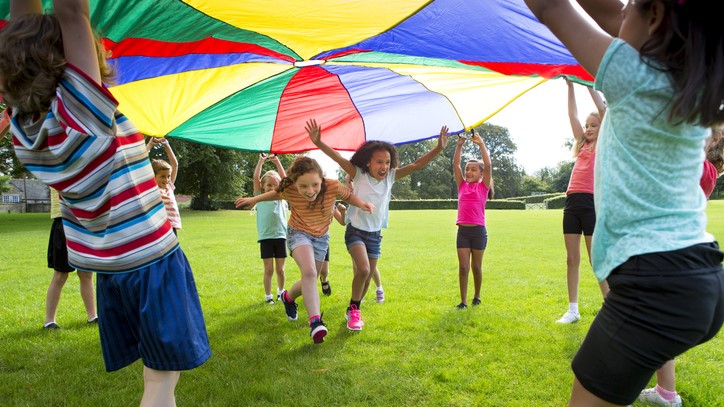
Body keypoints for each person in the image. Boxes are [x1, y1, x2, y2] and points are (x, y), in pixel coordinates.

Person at [0, 1, 211, 405]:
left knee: (157, 376)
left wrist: (26, 31)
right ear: (71, 66)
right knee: (161, 381)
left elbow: (26, 28)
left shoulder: (25, 131)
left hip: (109, 269)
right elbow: (72, 10)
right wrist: (68, 21)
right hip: (152, 261)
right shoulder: (85, 117)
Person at [523, 1, 724, 406]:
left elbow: (550, 6)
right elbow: (617, 17)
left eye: (631, 5)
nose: (620, 13)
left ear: (656, 18)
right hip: (701, 277)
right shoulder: (691, 82)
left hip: (656, 283)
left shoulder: (634, 76)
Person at [307, 118, 449, 331]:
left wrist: (438, 148)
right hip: (355, 231)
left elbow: (417, 164)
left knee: (365, 279)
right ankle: (355, 309)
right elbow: (337, 158)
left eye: (387, 162)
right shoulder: (358, 174)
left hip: (375, 235)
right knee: (363, 269)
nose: (384, 166)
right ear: (368, 163)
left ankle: (352, 308)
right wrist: (318, 142)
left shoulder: (391, 177)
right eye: (379, 162)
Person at [234, 156, 374, 343]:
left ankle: (288, 298)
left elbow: (348, 196)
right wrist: (255, 199)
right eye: (304, 187)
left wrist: (362, 204)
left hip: (321, 238)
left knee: (311, 277)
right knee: (308, 272)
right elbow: (274, 193)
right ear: (295, 184)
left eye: (315, 185)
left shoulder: (331, 186)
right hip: (298, 234)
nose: (310, 191)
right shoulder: (289, 189)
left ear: (322, 179)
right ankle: (315, 322)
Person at [639, 125, 724, 407]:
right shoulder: (702, 167)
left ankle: (624, 389)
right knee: (655, 323)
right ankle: (666, 392)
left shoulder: (700, 167)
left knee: (648, 323)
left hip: (669, 252)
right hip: (669, 250)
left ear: (712, 140)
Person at [557, 79, 610, 324]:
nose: (588, 128)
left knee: (594, 258)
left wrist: (589, 84)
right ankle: (573, 309)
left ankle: (611, 305)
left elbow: (603, 111)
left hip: (591, 203)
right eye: (587, 126)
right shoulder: (581, 145)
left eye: (593, 125)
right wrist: (569, 87)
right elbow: (571, 114)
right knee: (572, 258)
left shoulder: (605, 143)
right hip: (572, 203)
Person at [44, 187, 98, 330]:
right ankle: (49, 321)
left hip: (83, 222)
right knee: (61, 274)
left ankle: (93, 316)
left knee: (86, 273)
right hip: (64, 221)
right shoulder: (56, 169)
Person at [452, 128, 492, 309]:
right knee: (463, 267)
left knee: (476, 267)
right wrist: (459, 145)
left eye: (473, 169)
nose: (468, 172)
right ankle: (463, 301)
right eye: (467, 169)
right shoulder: (462, 185)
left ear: (481, 174)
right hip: (463, 232)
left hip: (478, 232)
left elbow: (488, 165)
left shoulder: (483, 187)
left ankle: (477, 296)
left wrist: (481, 143)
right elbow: (455, 166)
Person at [252, 153, 287, 304]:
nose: (272, 188)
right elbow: (255, 178)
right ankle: (268, 296)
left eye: (275, 185)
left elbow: (286, 180)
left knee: (280, 269)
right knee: (269, 270)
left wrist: (276, 160)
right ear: (262, 186)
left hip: (280, 237)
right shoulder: (259, 197)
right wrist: (261, 160)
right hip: (266, 238)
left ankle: (281, 292)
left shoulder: (282, 197)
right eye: (269, 185)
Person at [147, 137, 182, 233]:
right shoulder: (152, 188)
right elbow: (139, 165)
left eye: (168, 176)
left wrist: (167, 145)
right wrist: (149, 145)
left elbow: (175, 165)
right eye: (162, 176)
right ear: (153, 176)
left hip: (172, 228)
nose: (166, 180)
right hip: (158, 228)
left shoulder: (169, 187)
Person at [318, 202, 347, 297]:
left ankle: (324, 280)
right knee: (311, 271)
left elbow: (343, 222)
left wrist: (343, 212)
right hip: (306, 239)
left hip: (323, 239)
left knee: (324, 271)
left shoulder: (329, 201)